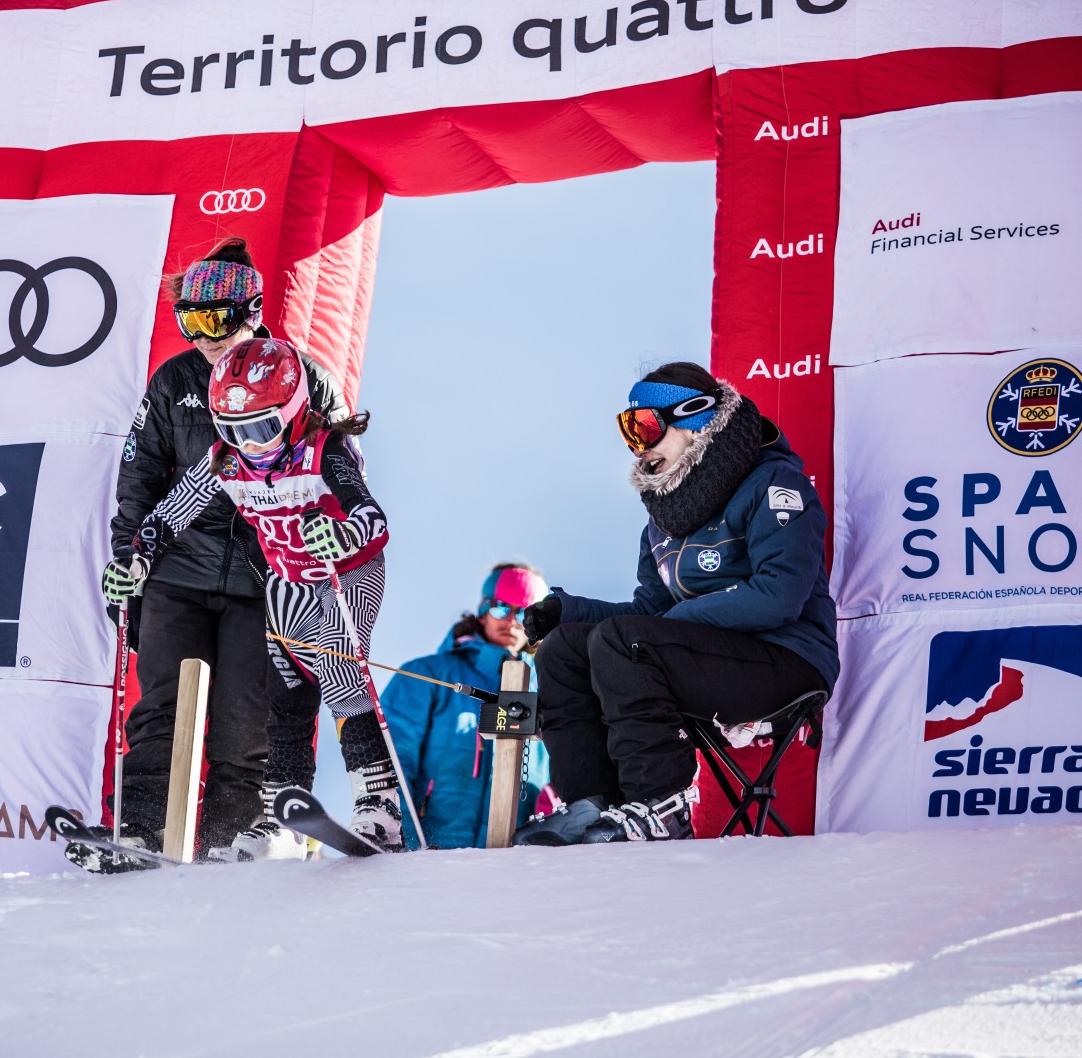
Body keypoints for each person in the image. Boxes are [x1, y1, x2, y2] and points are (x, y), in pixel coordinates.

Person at [70, 240, 348, 873]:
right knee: (162, 703)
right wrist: (130, 563)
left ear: (252, 310)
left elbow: (335, 471)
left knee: (245, 716)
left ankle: (230, 838)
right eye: (189, 322)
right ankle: (141, 832)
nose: (205, 338)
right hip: (178, 572)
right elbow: (138, 479)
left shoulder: (301, 373)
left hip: (266, 578)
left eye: (217, 321)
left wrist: (325, 562)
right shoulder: (175, 381)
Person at [514, 362, 839, 845]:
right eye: (629, 431)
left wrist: (672, 622)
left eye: (644, 425)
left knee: (628, 643)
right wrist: (570, 611)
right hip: (701, 657)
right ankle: (590, 806)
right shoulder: (664, 518)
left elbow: (779, 596)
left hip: (786, 660)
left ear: (695, 418)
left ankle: (659, 804)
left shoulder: (774, 486)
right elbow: (650, 610)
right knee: (564, 649)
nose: (638, 445)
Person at [107, 337, 400, 858]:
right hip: (285, 578)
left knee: (336, 673)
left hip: (344, 573)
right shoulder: (228, 460)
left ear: (290, 412)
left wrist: (343, 535)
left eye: (262, 428)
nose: (250, 444)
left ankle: (379, 808)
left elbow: (372, 518)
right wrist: (136, 559)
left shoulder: (322, 448)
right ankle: (279, 817)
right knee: (283, 695)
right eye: (232, 429)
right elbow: (167, 516)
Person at [384, 564, 552, 849]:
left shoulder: (551, 692)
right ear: (483, 610)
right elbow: (394, 760)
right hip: (431, 853)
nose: (512, 621)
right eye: (501, 608)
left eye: (524, 613)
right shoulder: (428, 674)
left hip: (517, 865)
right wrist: (405, 840)